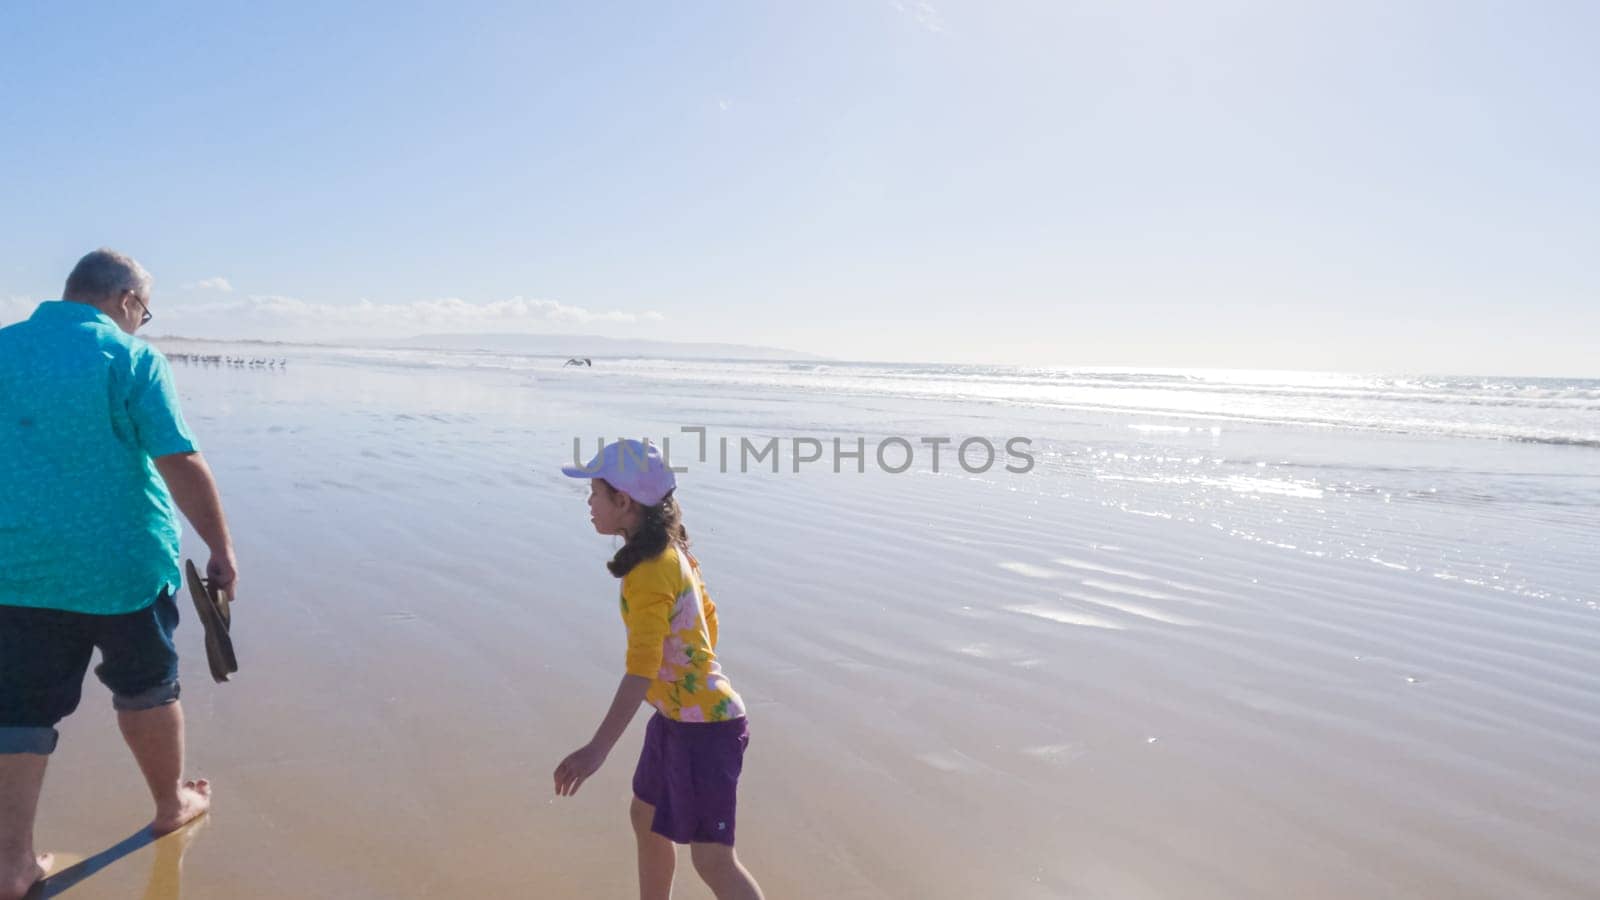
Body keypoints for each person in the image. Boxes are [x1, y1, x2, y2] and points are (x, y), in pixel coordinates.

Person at [0, 249, 238, 900]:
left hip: (17, 566)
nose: (142, 322)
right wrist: (219, 547)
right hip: (122, 567)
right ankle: (170, 807)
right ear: (127, 300)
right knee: (148, 687)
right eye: (145, 311)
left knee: (17, 711)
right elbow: (179, 459)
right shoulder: (130, 358)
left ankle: (11, 864)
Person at [552, 440, 765, 900]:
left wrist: (596, 749)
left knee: (712, 858)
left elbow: (640, 671)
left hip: (706, 729)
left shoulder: (652, 569)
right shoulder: (673, 552)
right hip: (677, 720)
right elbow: (708, 621)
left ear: (623, 501)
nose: (589, 504)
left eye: (595, 493)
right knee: (645, 818)